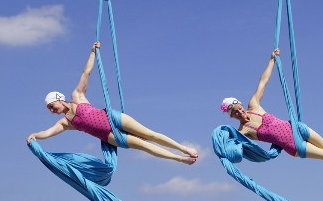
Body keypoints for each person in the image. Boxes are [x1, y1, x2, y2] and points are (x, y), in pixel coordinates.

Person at [221, 48, 323, 184]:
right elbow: (236, 147)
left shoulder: (253, 105)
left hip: (297, 128)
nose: (240, 112)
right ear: (232, 116)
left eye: (239, 107)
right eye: (235, 112)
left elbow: (263, 81)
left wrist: (272, 60)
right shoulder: (243, 132)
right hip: (294, 145)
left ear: (241, 104)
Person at [27, 42, 198, 165]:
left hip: (112, 117)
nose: (52, 111)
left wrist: (93, 52)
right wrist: (35, 135)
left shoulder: (77, 96)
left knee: (149, 134)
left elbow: (86, 72)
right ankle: (180, 159)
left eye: (51, 106)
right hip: (111, 136)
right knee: (144, 146)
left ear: (58, 98)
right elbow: (47, 133)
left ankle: (184, 149)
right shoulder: (66, 122)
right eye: (50, 109)